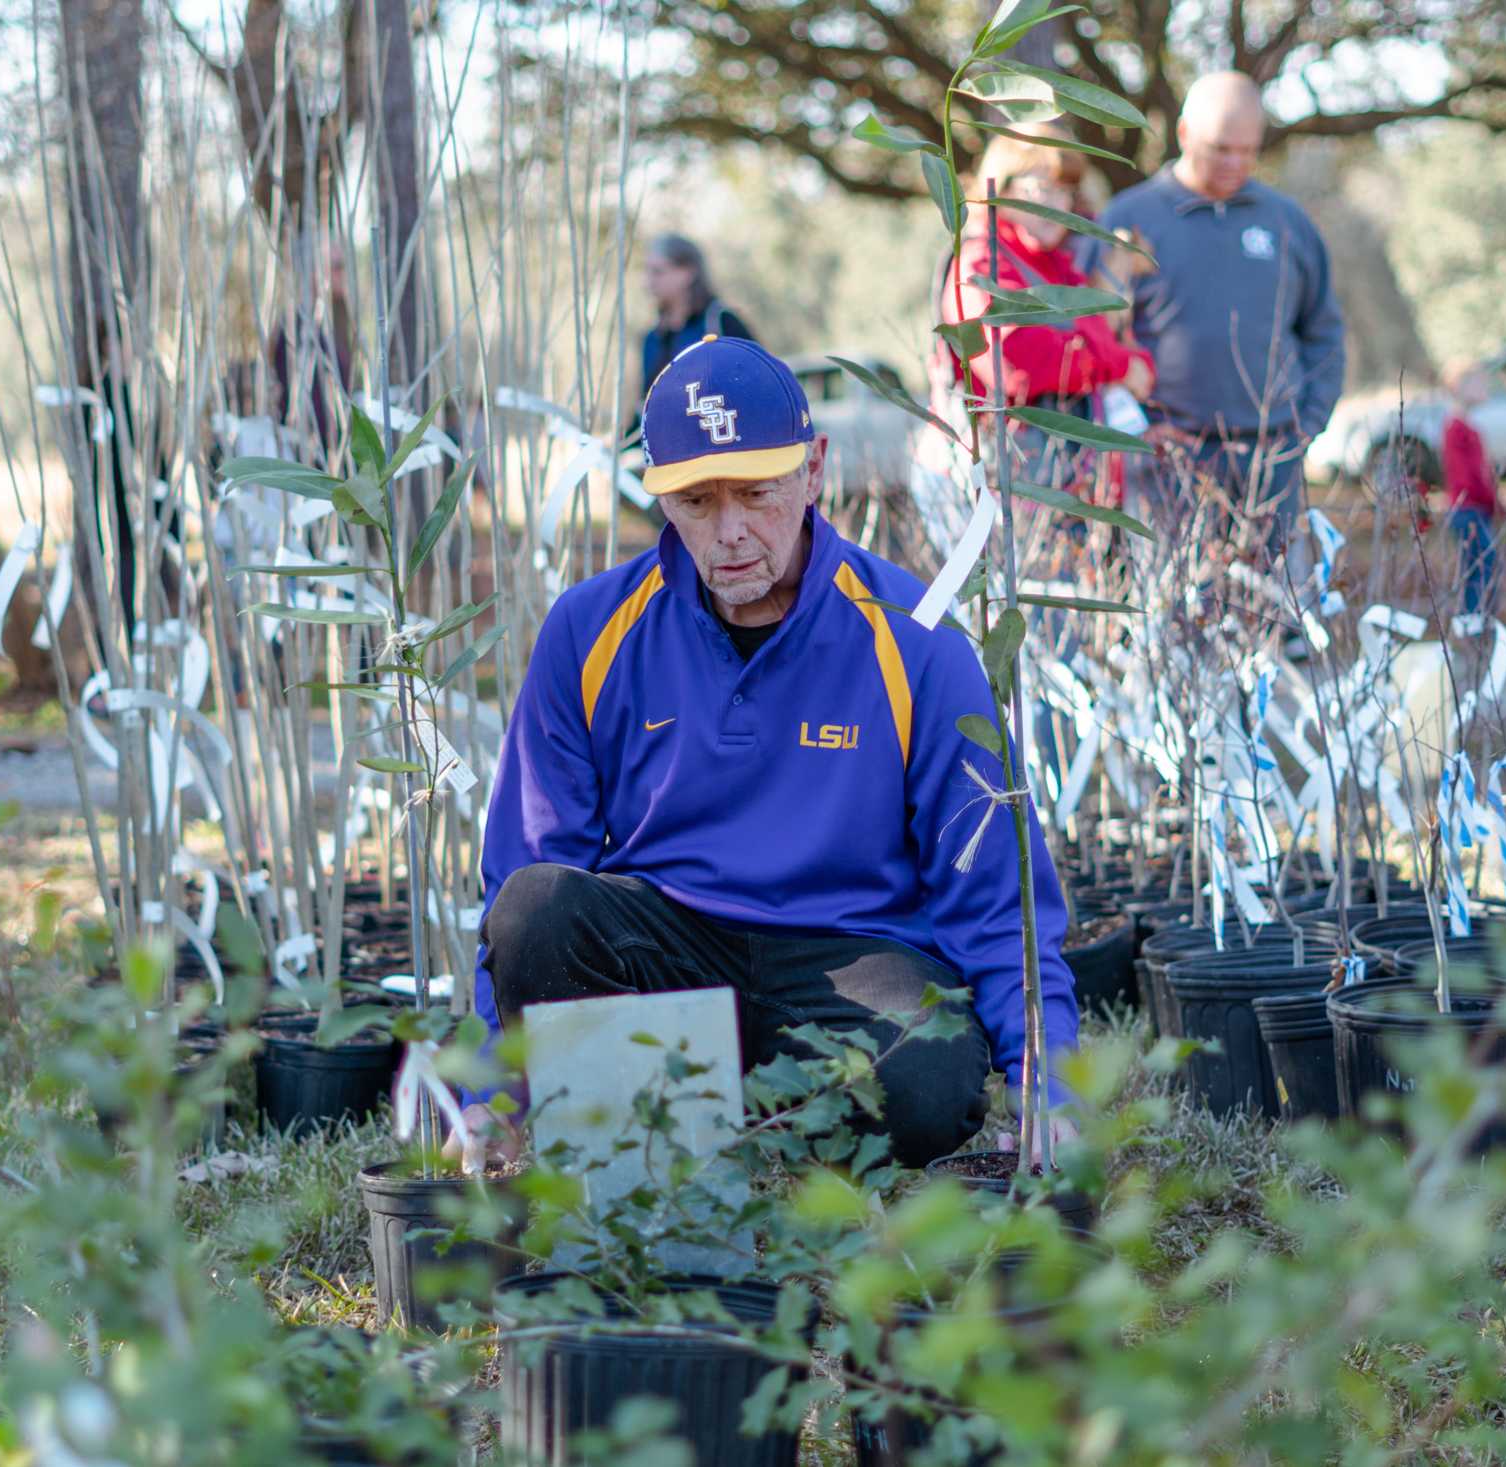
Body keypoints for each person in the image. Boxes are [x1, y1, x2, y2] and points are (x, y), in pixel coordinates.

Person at [453, 336, 1081, 1170]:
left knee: (931, 1078)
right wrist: (491, 1098)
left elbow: (998, 897)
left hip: (849, 957)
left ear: (814, 469)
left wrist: (1049, 1085)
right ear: (660, 496)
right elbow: (527, 865)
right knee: (538, 907)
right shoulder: (588, 629)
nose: (732, 531)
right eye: (698, 501)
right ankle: (660, 1144)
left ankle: (729, 1120)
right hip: (666, 949)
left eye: (757, 491)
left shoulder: (917, 640)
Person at [1085, 72, 1346, 550]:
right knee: (1174, 617)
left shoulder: (1287, 222)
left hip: (1273, 462)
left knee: (1276, 616)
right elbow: (1091, 337)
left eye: (1248, 151)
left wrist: (1306, 426)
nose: (1234, 163)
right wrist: (1136, 429)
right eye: (1221, 148)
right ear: (1183, 134)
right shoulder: (1129, 219)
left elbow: (1323, 332)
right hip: (1167, 462)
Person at [937, 126, 1153, 491]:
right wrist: (1119, 367)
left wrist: (1127, 362)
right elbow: (1018, 364)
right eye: (1040, 190)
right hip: (1007, 487)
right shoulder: (981, 264)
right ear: (1000, 188)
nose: (1055, 206)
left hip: (1062, 480)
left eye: (1064, 192)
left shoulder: (1056, 266)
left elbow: (1103, 336)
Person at [637, 235, 757, 407]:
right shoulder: (652, 338)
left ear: (688, 273)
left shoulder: (722, 322)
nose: (648, 282)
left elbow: (760, 383)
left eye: (658, 272)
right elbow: (646, 407)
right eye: (647, 271)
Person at [1436, 364, 1500, 615]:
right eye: (1479, 384)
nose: (1485, 390)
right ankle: (1473, 621)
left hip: (1477, 508)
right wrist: (1487, 498)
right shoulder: (1456, 428)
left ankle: (1479, 620)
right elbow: (1465, 477)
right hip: (1468, 509)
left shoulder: (1467, 427)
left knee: (1481, 564)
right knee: (1480, 565)